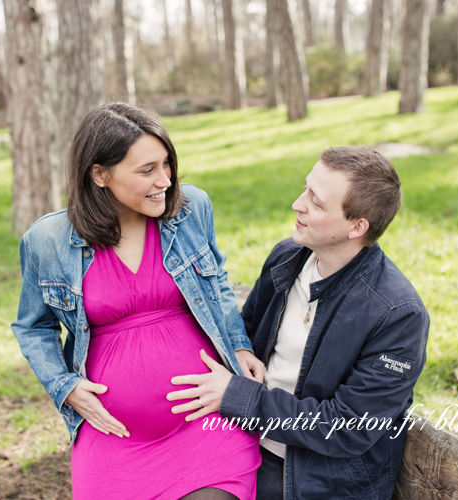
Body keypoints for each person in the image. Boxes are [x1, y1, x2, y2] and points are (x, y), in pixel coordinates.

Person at [11, 102, 264, 500]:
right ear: (100, 174)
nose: (164, 180)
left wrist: (238, 344)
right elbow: (33, 326)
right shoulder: (49, 241)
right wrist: (64, 386)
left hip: (205, 421)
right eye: (147, 170)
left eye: (166, 164)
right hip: (113, 434)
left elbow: (215, 285)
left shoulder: (191, 209)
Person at [168, 147, 430, 500]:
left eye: (316, 203)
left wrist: (238, 397)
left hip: (316, 479)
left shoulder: (397, 314)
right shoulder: (287, 258)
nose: (298, 203)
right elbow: (245, 334)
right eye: (306, 189)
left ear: (357, 227)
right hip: (240, 440)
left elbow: (348, 428)